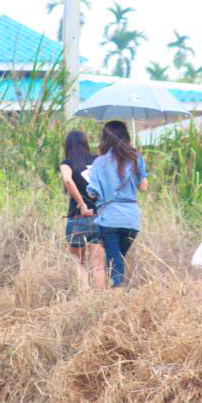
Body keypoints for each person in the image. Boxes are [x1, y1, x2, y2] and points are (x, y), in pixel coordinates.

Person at [86, 121, 148, 288]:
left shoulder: (99, 163)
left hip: (109, 218)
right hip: (131, 219)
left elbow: (92, 192)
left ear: (105, 138)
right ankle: (115, 294)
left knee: (114, 261)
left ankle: (116, 298)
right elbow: (144, 187)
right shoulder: (136, 159)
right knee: (117, 258)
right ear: (126, 137)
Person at [59, 130, 107, 289]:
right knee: (99, 266)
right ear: (86, 143)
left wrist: (81, 203)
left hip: (77, 218)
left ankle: (85, 297)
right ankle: (101, 299)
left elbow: (67, 179)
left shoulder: (67, 163)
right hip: (99, 217)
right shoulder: (98, 160)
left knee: (79, 262)